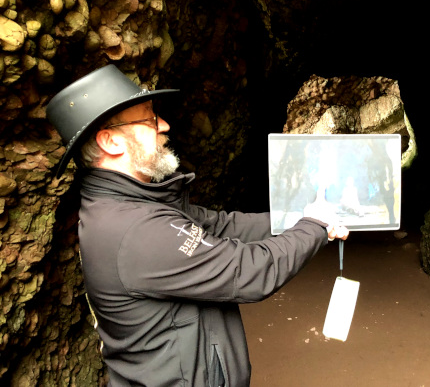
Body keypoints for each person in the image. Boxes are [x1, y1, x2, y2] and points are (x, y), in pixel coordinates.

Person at [46, 64, 349, 387]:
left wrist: (301, 216)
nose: (164, 124)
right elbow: (248, 271)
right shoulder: (134, 231)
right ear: (111, 142)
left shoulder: (135, 204)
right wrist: (313, 226)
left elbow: (220, 225)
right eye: (148, 118)